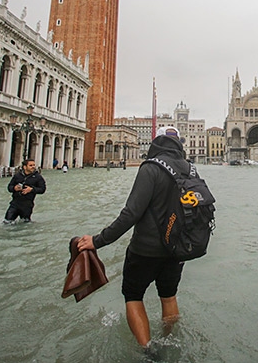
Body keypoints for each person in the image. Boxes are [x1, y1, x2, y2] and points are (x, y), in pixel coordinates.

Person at [75, 126, 188, 349]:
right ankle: (169, 342)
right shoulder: (189, 168)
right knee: (169, 296)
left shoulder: (151, 168)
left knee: (133, 295)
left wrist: (98, 240)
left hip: (146, 249)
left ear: (156, 143)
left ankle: (148, 351)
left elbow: (131, 214)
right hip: (177, 249)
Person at [3, 159, 46, 224]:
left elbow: (42, 189)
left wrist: (32, 189)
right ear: (25, 167)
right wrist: (14, 188)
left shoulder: (38, 177)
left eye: (34, 165)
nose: (33, 167)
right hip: (15, 203)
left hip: (27, 205)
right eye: (30, 165)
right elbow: (9, 187)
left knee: (25, 223)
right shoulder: (17, 176)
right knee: (7, 222)